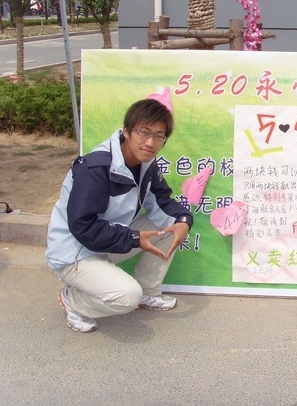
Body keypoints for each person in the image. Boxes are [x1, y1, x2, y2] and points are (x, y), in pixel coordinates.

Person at [46, 98, 193, 333]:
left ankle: (148, 291)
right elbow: (83, 226)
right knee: (127, 297)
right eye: (144, 133)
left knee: (170, 226)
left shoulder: (146, 164)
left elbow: (163, 201)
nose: (150, 142)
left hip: (107, 241)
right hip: (75, 252)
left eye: (159, 136)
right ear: (126, 131)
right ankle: (73, 300)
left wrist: (184, 222)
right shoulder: (96, 168)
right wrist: (134, 238)